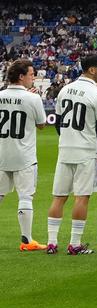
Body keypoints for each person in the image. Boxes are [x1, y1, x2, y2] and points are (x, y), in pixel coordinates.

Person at [47, 54, 97, 255]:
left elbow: (58, 122)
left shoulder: (65, 90)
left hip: (65, 149)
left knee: (59, 197)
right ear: (92, 70)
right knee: (81, 198)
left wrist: (67, 138)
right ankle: (74, 244)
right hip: (85, 151)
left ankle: (51, 243)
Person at [0, 60, 49, 251]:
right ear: (21, 76)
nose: (33, 77)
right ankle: (27, 241)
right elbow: (42, 124)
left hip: (2, 153)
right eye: (31, 74)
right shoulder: (32, 98)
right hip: (24, 155)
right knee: (26, 196)